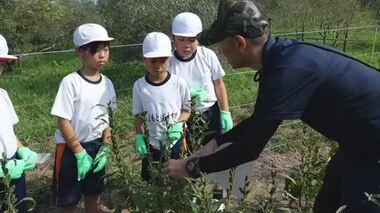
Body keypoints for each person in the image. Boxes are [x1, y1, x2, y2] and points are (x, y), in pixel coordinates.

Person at [163, 0, 380, 212]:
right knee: (328, 199)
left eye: (222, 41)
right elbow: (260, 120)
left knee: (362, 203)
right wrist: (216, 142)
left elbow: (249, 148)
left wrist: (190, 168)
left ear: (240, 42)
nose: (221, 49)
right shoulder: (279, 59)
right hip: (358, 142)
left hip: (373, 146)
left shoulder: (286, 71)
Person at [51, 23, 116, 212]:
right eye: (96, 50)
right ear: (80, 51)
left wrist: (106, 146)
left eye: (105, 49)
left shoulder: (108, 84)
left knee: (93, 193)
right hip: (71, 150)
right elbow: (63, 120)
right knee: (69, 199)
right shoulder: (71, 82)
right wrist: (79, 151)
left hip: (97, 146)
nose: (102, 54)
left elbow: (108, 120)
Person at [133, 32, 191, 181]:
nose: (158, 65)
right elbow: (138, 114)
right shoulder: (139, 86)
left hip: (175, 141)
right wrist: (139, 135)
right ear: (144, 60)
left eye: (162, 60)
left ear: (169, 59)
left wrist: (179, 124)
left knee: (177, 175)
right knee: (152, 177)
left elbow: (187, 109)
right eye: (153, 61)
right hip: (152, 141)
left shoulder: (179, 83)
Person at [169, 12, 233, 144]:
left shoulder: (208, 56)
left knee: (214, 149)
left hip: (210, 112)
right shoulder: (169, 63)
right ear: (173, 37)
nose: (186, 45)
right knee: (191, 154)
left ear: (199, 38)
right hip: (184, 116)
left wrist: (225, 111)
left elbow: (219, 83)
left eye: (192, 40)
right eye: (181, 39)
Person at [0, 34, 38, 213]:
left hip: (13, 167)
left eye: (0, 65)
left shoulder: (2, 95)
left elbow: (9, 132)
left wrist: (22, 149)